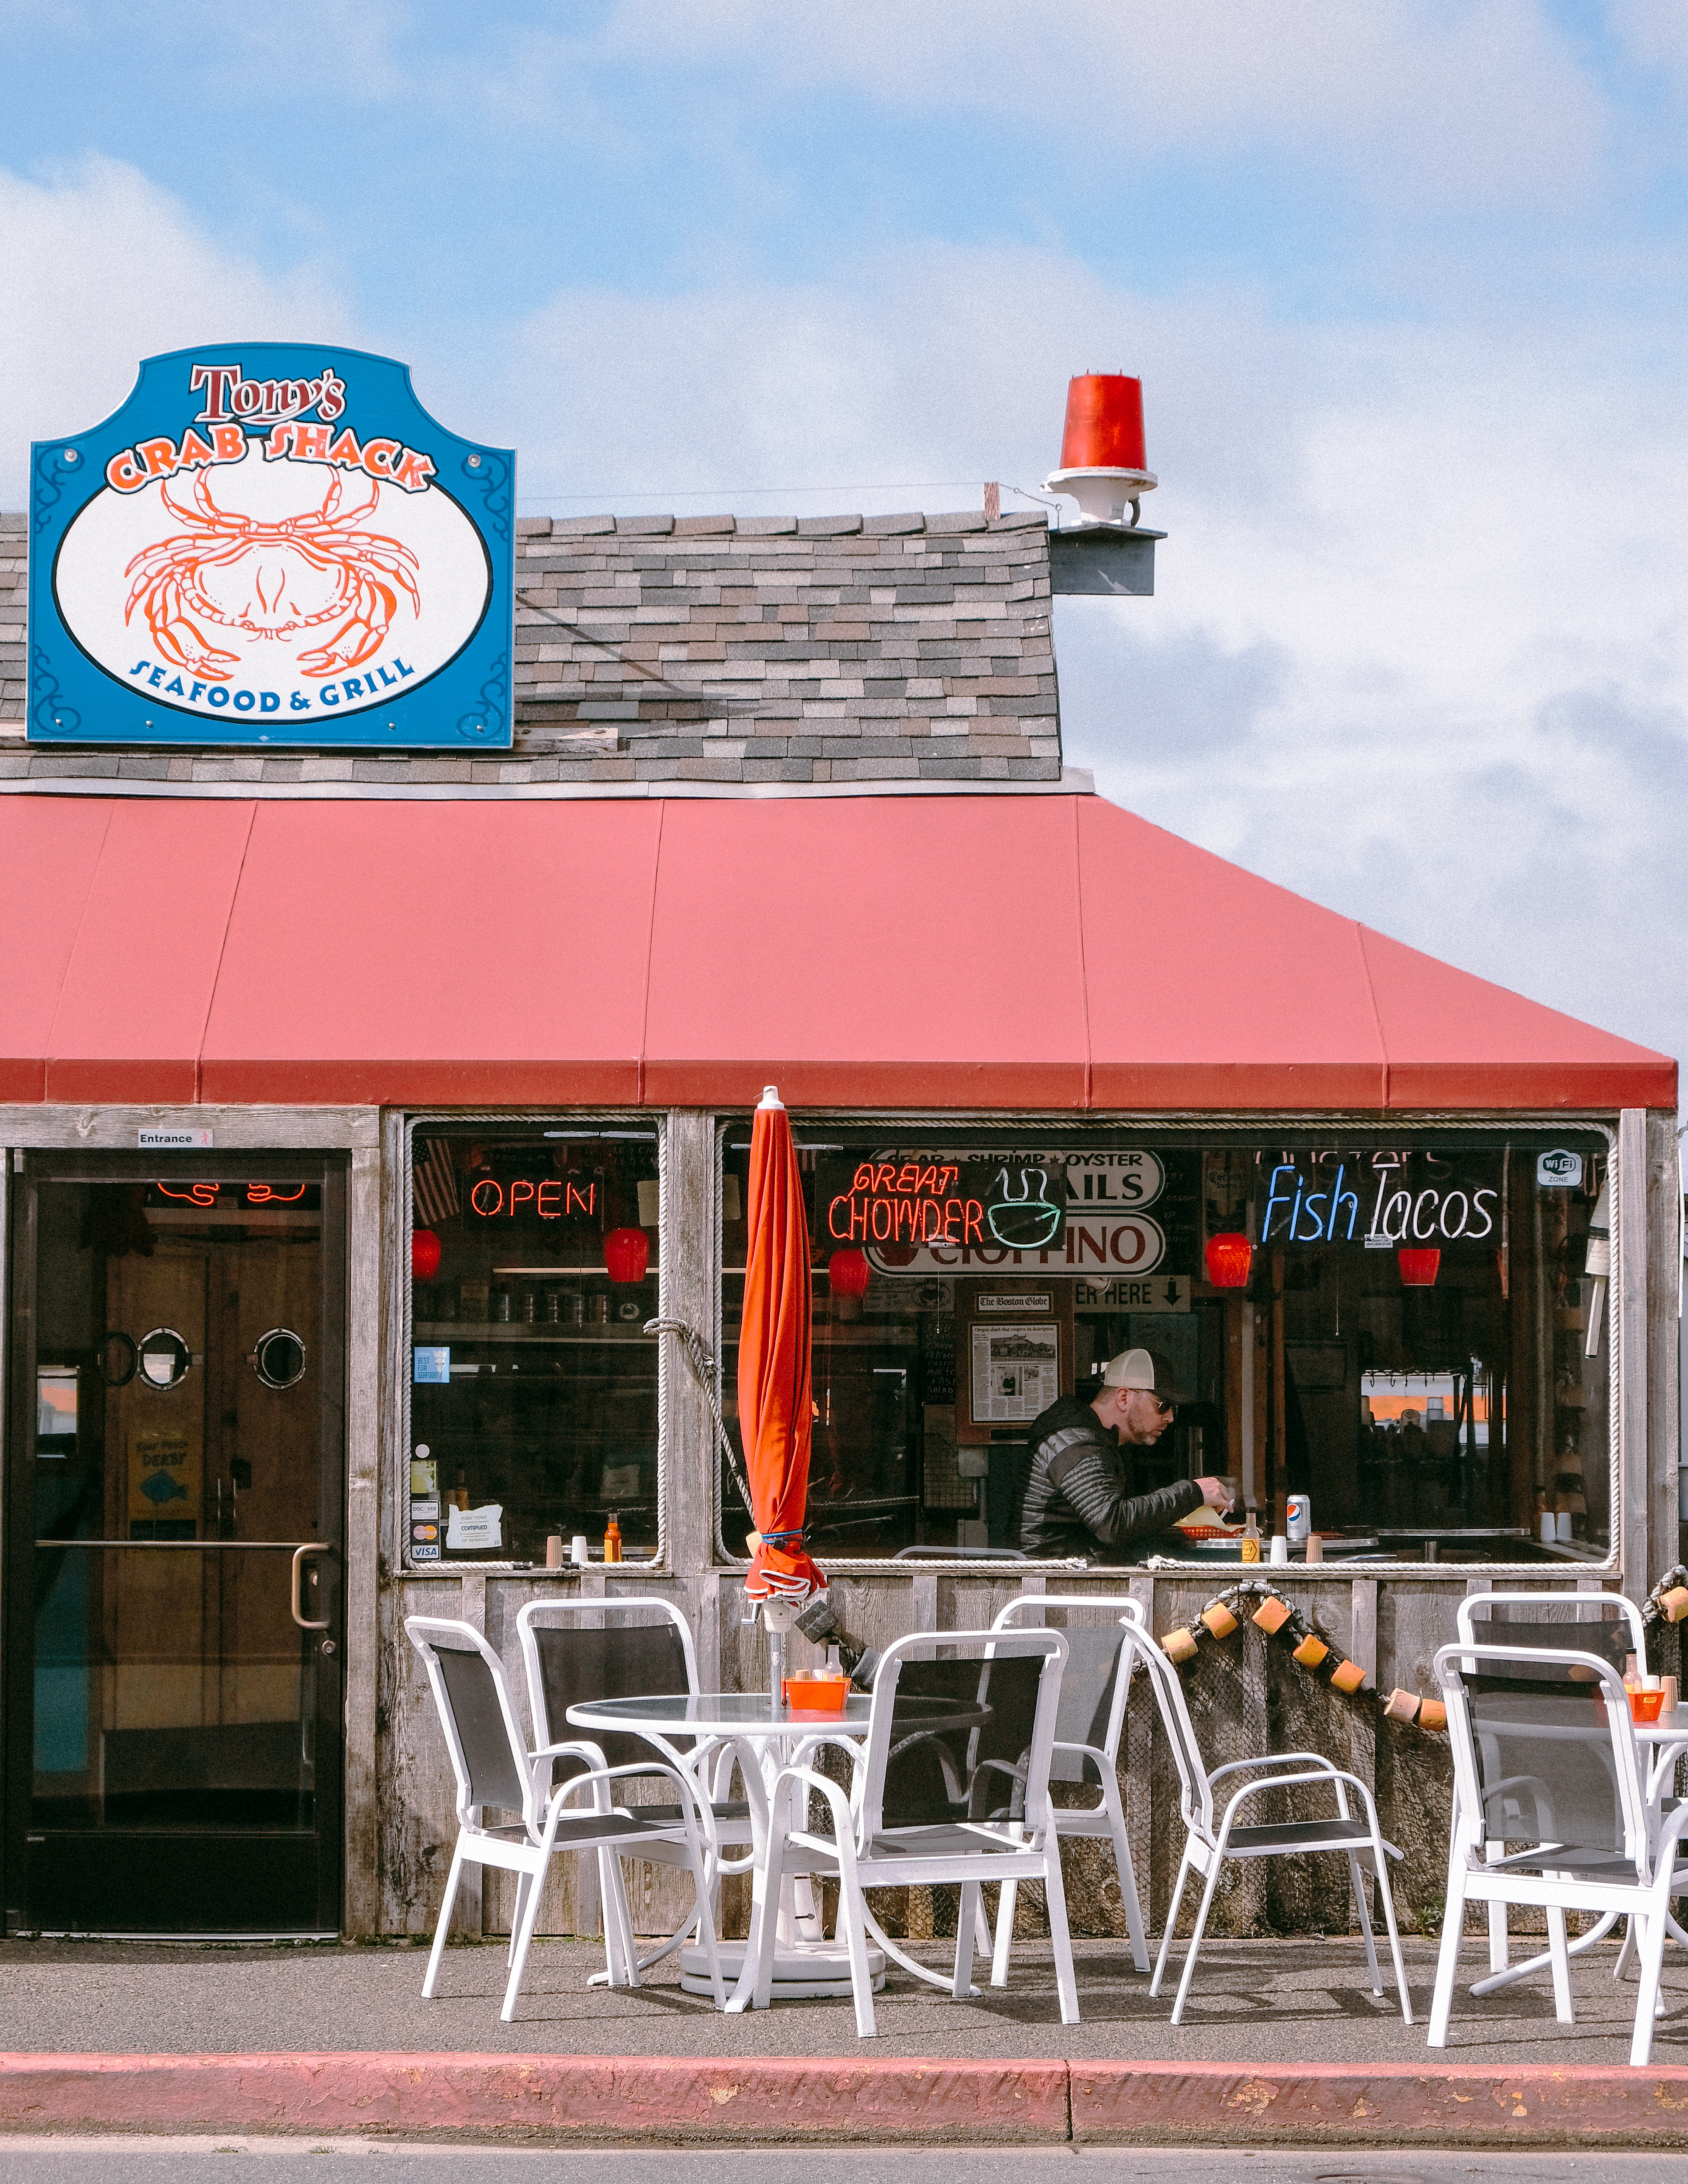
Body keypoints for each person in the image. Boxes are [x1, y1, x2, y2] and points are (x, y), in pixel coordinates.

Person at [1019, 1347, 1236, 1561]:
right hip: (1051, 1581)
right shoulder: (1075, 1443)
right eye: (1163, 1405)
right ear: (1124, 1398)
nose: (1170, 1417)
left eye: (1174, 1409)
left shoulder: (1104, 1442)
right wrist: (1193, 1493)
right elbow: (1112, 1524)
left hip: (1073, 1573)